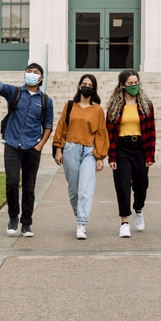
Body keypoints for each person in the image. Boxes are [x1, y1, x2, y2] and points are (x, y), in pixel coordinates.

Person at [0, 63, 53, 237]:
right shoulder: (14, 93)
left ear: (41, 78)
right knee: (12, 182)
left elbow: (48, 126)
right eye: (28, 71)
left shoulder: (46, 101)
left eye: (35, 72)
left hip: (32, 147)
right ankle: (13, 217)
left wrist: (40, 146)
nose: (31, 74)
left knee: (29, 187)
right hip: (12, 145)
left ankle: (27, 224)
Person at [52, 74, 108, 239]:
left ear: (94, 88)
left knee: (85, 189)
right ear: (79, 86)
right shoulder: (70, 106)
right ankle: (80, 213)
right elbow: (62, 127)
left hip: (89, 151)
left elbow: (101, 133)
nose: (86, 86)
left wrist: (100, 157)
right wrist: (58, 149)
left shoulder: (97, 109)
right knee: (74, 189)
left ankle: (81, 224)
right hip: (70, 148)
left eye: (90, 85)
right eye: (84, 83)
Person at [105, 69, 156, 238]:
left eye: (136, 83)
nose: (134, 86)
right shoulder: (115, 106)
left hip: (140, 147)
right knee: (123, 186)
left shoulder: (146, 105)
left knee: (142, 186)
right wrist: (111, 156)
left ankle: (138, 209)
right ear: (122, 86)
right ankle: (124, 222)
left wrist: (150, 155)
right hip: (122, 148)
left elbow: (151, 132)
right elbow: (109, 134)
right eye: (130, 84)